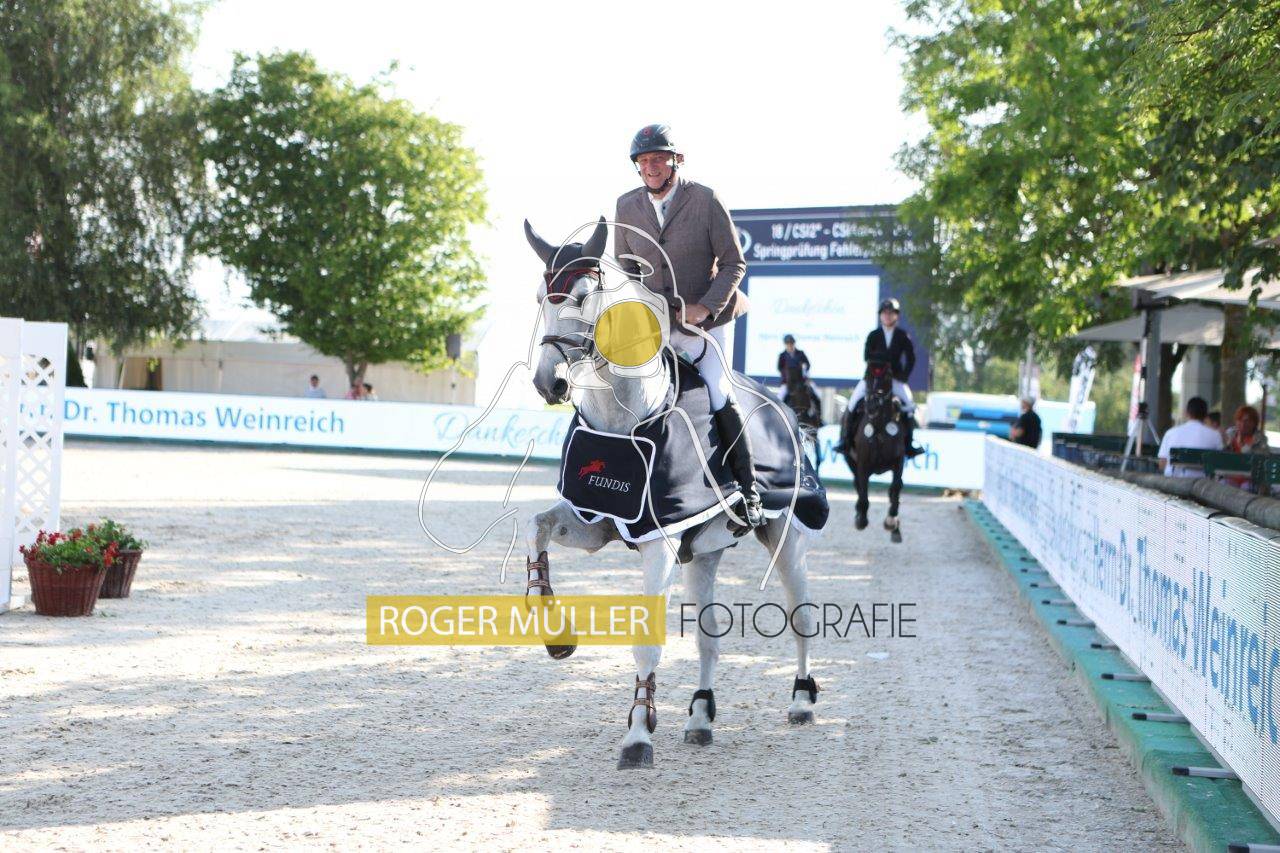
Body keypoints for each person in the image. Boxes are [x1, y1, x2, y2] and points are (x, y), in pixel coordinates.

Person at [614, 123, 762, 527]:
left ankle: (748, 491)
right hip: (657, 322)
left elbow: (734, 263)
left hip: (708, 320)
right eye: (644, 161)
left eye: (659, 159)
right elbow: (626, 270)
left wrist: (706, 308)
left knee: (717, 390)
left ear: (676, 160)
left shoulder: (705, 199)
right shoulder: (626, 206)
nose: (651, 167)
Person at [844, 298, 923, 457]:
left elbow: (911, 358)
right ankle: (845, 440)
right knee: (852, 402)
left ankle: (910, 443)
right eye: (884, 313)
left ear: (896, 316)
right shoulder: (873, 335)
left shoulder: (902, 336)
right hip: (873, 378)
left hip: (894, 379)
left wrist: (903, 376)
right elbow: (866, 356)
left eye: (890, 313)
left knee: (909, 405)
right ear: (880, 315)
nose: (887, 316)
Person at [1157, 396, 1223, 477]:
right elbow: (1219, 463)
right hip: (1203, 482)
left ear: (1186, 412)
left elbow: (1162, 463)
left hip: (1174, 480)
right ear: (1206, 415)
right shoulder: (1215, 435)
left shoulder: (1170, 433)